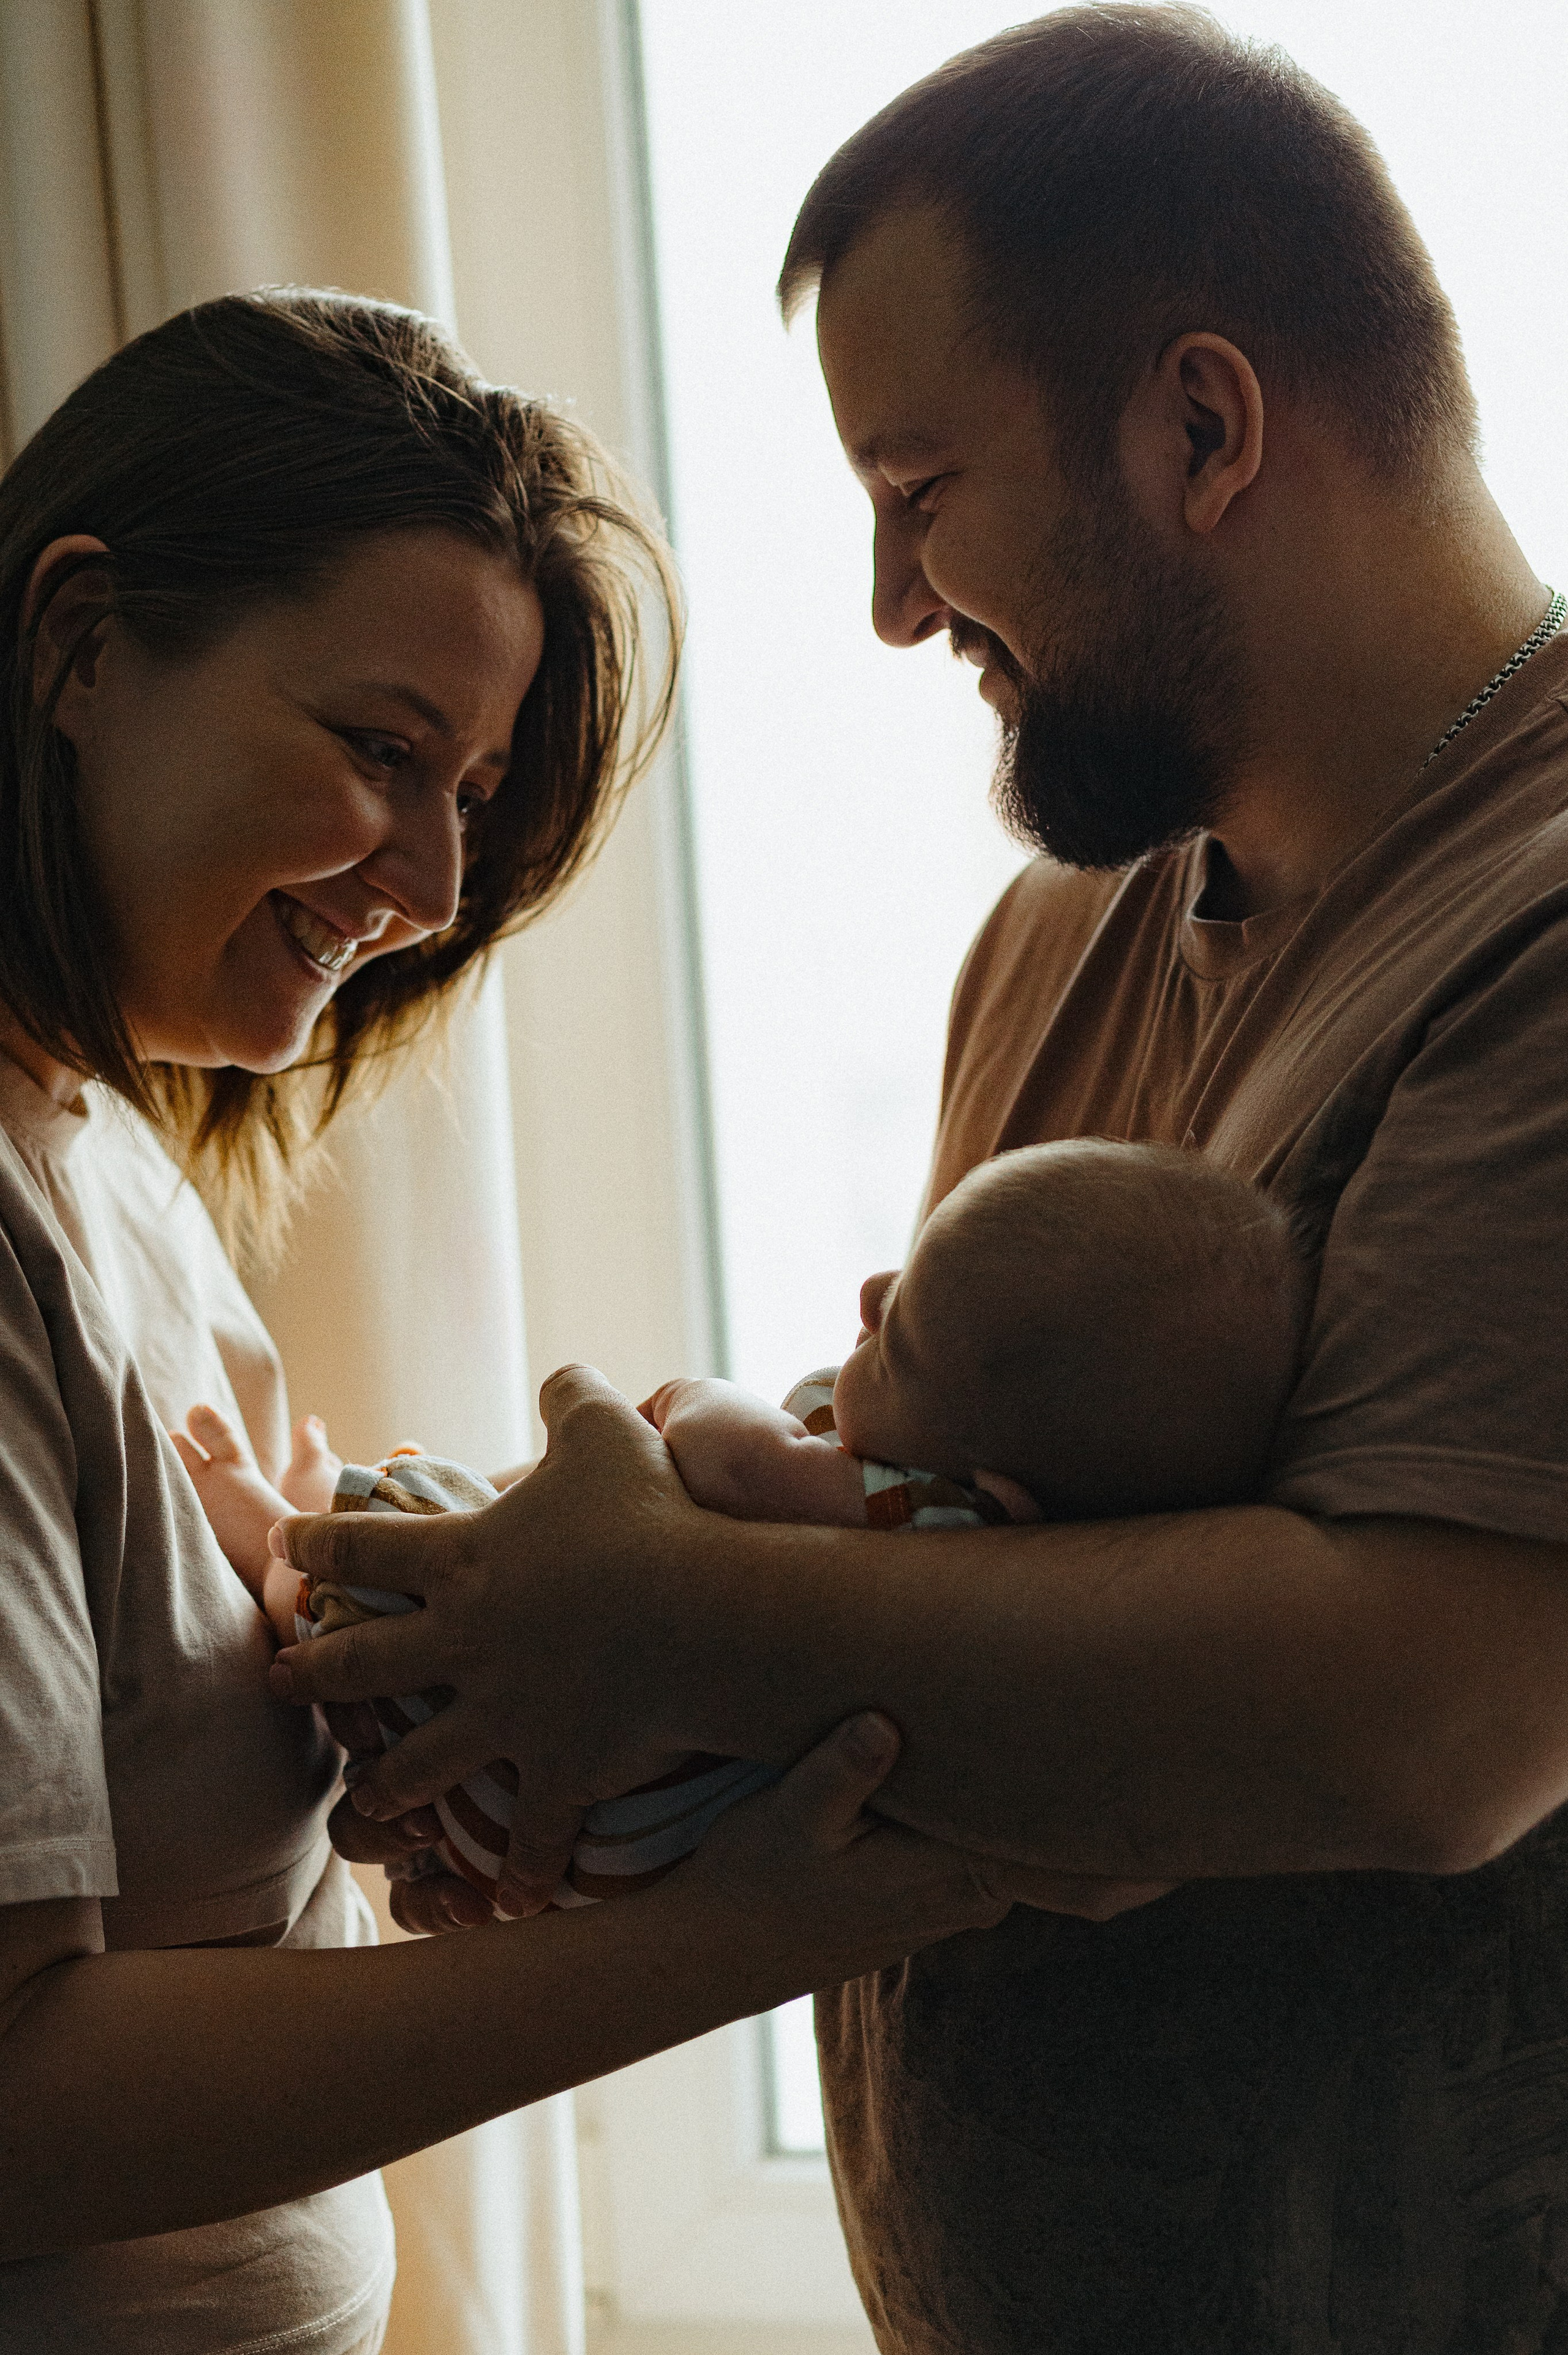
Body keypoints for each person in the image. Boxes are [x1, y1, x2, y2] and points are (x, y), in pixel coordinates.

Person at [273, 9, 1568, 2349]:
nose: (892, 601)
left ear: (1201, 424)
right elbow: (966, 1565)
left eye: (919, 485)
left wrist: (653, 1609)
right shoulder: (1060, 934)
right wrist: (560, 1733)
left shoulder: (1543, 917)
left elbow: (1430, 1710)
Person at [0, 287, 1007, 2355]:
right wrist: (745, 1936)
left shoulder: (107, 1159)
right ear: (81, 647)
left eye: (468, 787)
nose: (441, 877)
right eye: (383, 751)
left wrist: (421, 1752)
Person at [180, 1139, 1306, 1910]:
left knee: (378, 1573)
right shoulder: (1005, 1562)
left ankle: (273, 1531)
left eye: (901, 1334)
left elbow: (722, 1455)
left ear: (1000, 1490)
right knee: (485, 1538)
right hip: (616, 1844)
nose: (869, 1297)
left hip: (567, 1780)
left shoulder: (915, 1512)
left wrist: (693, 1395)